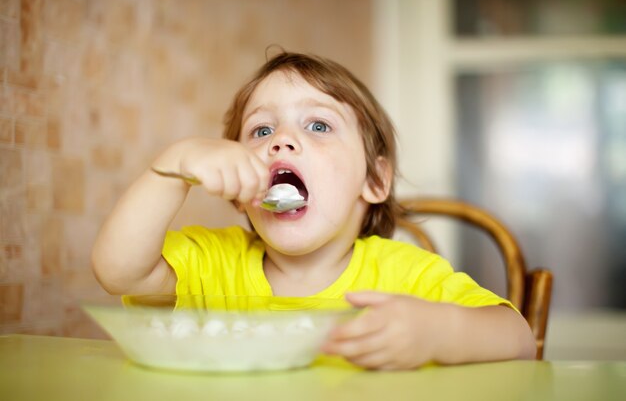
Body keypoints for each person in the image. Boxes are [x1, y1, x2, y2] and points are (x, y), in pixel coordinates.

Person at [92, 51, 536, 370]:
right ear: (237, 184)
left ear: (375, 180)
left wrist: (437, 333)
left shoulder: (406, 277)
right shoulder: (212, 264)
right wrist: (172, 168)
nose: (279, 140)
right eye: (261, 129)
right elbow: (119, 272)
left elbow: (519, 339)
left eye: (318, 125)